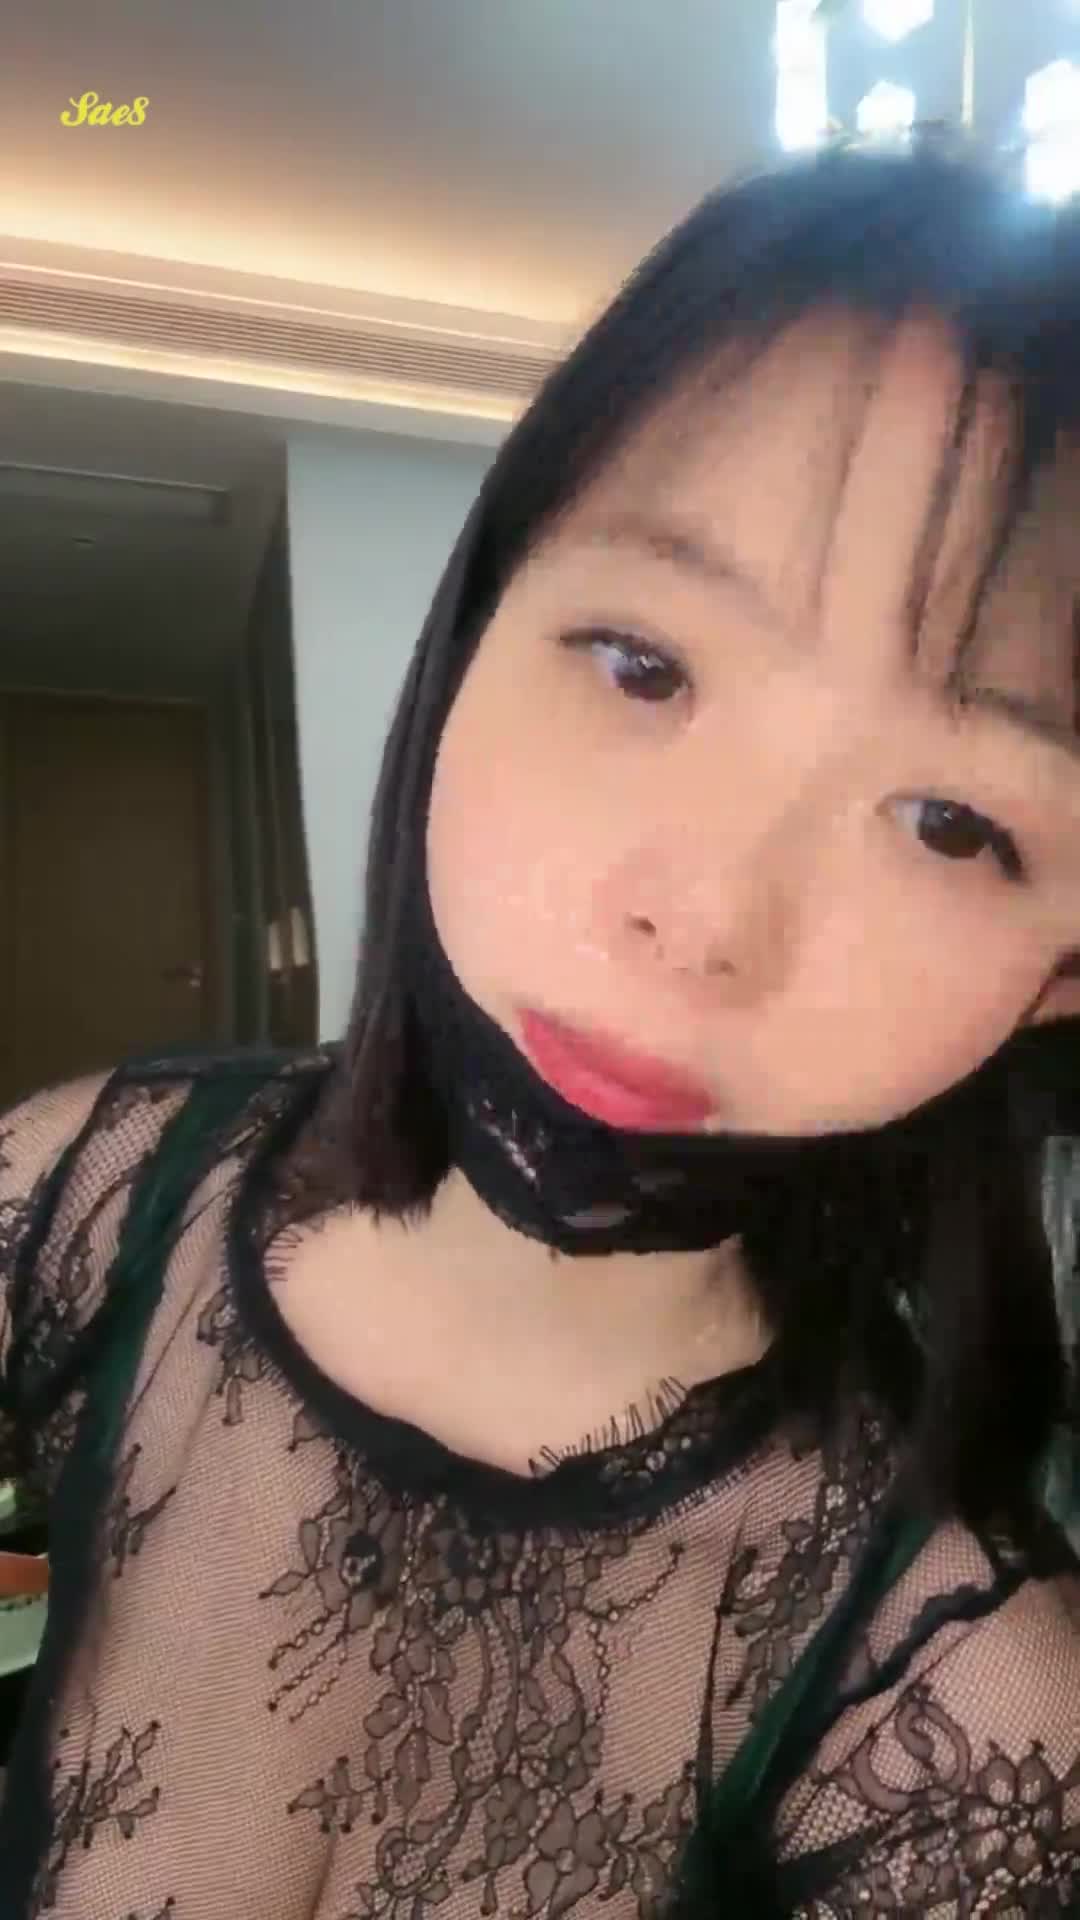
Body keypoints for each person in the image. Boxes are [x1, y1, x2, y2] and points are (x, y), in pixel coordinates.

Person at [1, 146, 1079, 1920]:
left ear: (1061, 974)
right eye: (644, 664)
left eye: (952, 824)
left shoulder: (964, 1707)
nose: (704, 920)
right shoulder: (88, 1193)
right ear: (483, 620)